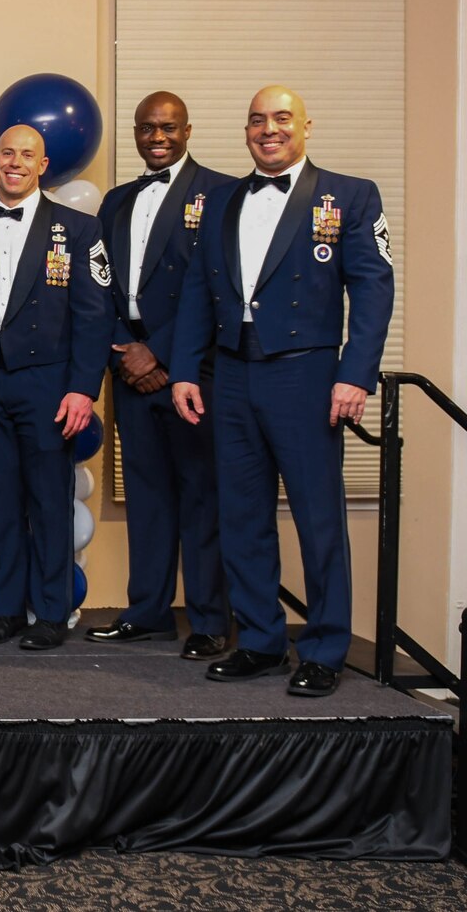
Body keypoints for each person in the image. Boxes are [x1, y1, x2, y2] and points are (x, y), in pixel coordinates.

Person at [171, 86, 393, 698]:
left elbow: (373, 288)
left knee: (319, 518)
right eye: (257, 121)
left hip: (307, 374)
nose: (268, 129)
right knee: (240, 515)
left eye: (281, 119)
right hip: (232, 372)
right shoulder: (218, 200)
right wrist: (186, 369)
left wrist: (355, 373)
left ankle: (323, 649)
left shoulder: (349, 194)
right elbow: (196, 292)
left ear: (306, 127)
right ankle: (263, 641)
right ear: (246, 131)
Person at [86, 92, 232, 660]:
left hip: (191, 369)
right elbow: (97, 287)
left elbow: (221, 288)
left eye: (168, 127)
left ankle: (209, 621)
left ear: (187, 130)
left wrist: (161, 355)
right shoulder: (116, 201)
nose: (157, 137)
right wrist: (125, 350)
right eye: (147, 128)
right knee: (146, 494)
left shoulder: (222, 194)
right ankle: (147, 612)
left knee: (202, 493)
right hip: (130, 366)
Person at [0, 124, 112, 651]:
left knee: (49, 500)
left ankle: (50, 612)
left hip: (51, 386)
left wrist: (82, 389)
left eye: (27, 154)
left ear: (43, 165)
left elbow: (95, 316)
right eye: (7, 153)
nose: (15, 162)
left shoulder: (77, 230)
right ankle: (5, 610)